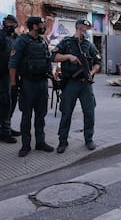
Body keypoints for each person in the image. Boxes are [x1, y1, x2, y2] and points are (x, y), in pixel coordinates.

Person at [51, 19, 101, 153]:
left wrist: (91, 72)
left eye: (88, 28)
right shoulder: (67, 43)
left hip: (85, 84)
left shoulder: (89, 45)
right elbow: (53, 56)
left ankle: (89, 139)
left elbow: (98, 62)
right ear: (79, 28)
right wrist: (68, 57)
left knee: (89, 112)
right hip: (71, 83)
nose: (88, 30)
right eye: (86, 27)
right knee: (66, 113)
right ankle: (62, 141)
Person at [9, 16, 54, 157]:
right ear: (34, 26)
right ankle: (25, 145)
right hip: (28, 83)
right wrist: (13, 84)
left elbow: (47, 60)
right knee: (27, 116)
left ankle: (40, 142)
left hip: (42, 83)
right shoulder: (21, 41)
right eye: (41, 24)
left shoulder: (42, 41)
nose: (43, 26)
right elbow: (12, 64)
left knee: (41, 115)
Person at [0, 15, 19, 143]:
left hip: (13, 74)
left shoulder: (16, 38)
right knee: (5, 102)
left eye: (13, 23)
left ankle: (7, 126)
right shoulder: (1, 36)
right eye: (8, 22)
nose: (10, 25)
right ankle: (4, 132)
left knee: (12, 100)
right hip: (2, 75)